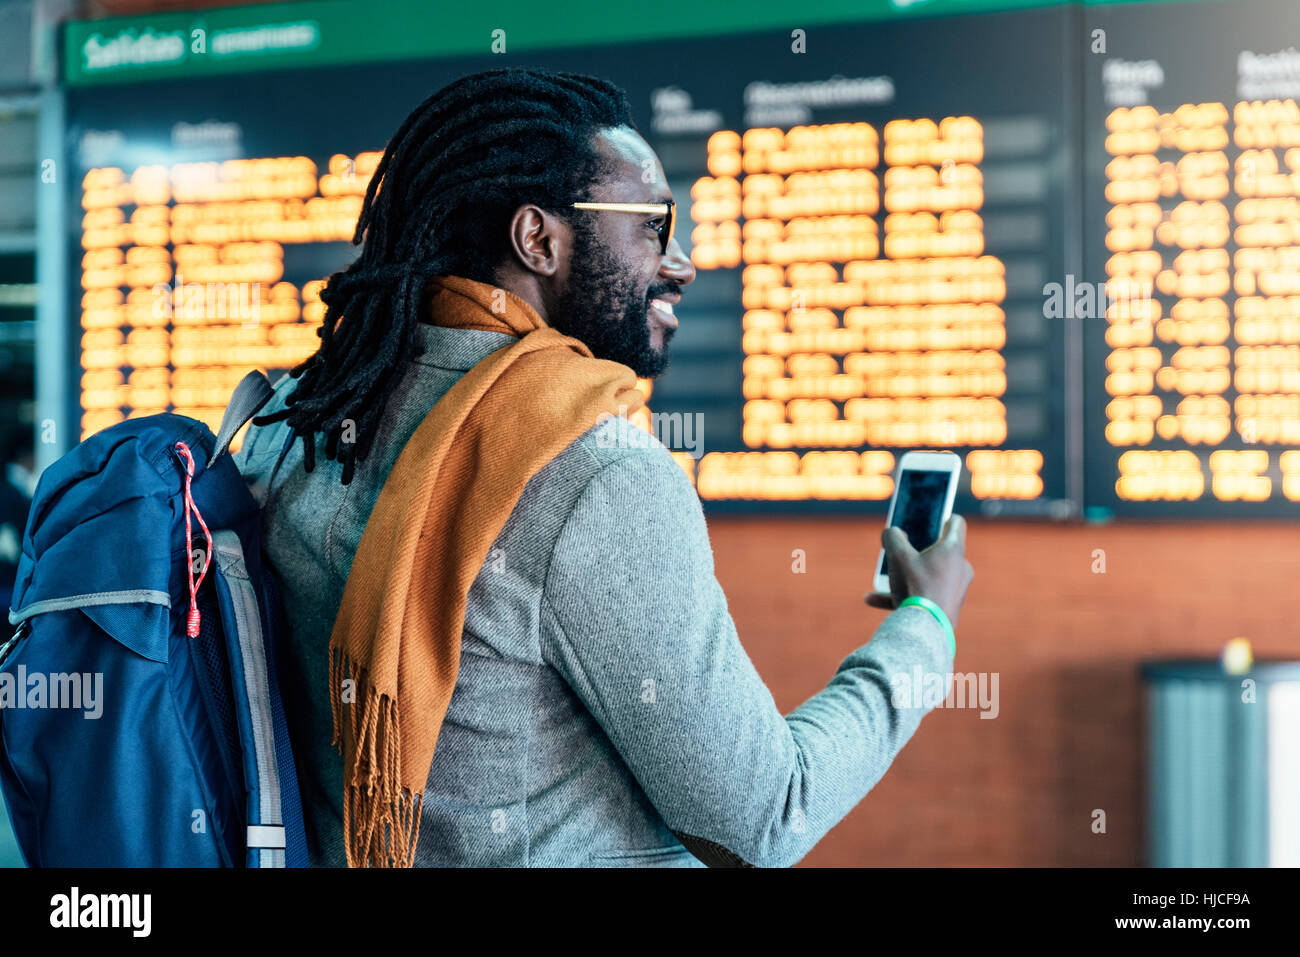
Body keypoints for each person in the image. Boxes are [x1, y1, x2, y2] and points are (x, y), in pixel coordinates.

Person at [235, 66, 974, 868]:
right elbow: (766, 817)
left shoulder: (293, 416)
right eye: (653, 227)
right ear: (539, 240)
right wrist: (923, 629)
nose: (682, 263)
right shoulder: (595, 473)